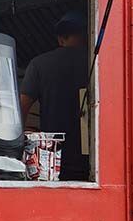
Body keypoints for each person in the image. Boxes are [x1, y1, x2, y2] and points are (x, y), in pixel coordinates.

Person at [20, 10, 90, 180]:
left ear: (60, 39)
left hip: (52, 157)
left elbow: (22, 107)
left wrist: (18, 144)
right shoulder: (99, 62)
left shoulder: (39, 64)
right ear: (88, 35)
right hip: (93, 156)